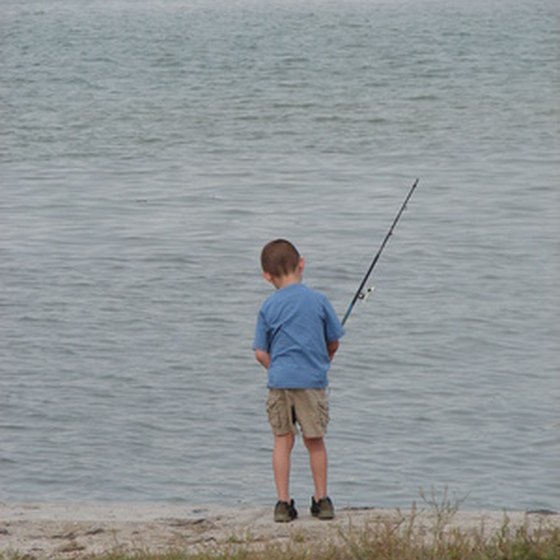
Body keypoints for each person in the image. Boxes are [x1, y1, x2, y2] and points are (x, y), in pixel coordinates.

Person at [253, 239, 344, 522]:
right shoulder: (319, 300)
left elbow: (260, 352)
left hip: (279, 382)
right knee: (314, 441)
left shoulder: (268, 306)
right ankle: (322, 500)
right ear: (302, 263)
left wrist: (275, 368)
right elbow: (334, 341)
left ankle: (283, 504)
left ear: (266, 276)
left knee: (282, 441)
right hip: (312, 382)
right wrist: (324, 362)